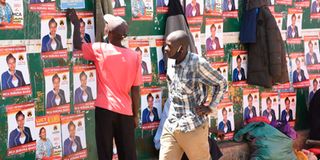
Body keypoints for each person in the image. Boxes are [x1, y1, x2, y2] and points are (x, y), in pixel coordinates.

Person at [67, 9, 142, 160]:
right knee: (128, 154)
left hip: (104, 111)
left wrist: (76, 23)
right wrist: (135, 115)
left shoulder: (100, 48)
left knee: (105, 153)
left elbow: (77, 44)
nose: (104, 27)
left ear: (110, 33)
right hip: (126, 113)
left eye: (106, 25)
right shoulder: (135, 56)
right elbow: (135, 90)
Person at [159, 30, 227, 160]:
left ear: (181, 49)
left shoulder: (198, 64)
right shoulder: (171, 61)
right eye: (165, 45)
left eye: (170, 46)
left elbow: (221, 83)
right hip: (172, 125)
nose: (166, 49)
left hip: (192, 128)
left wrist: (211, 107)